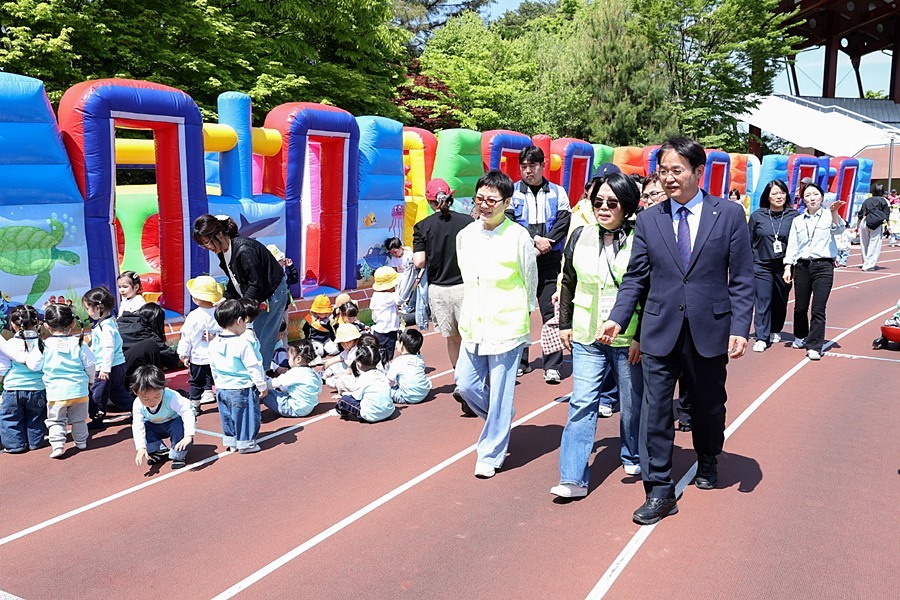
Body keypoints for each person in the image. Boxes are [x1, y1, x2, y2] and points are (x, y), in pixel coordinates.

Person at [598, 137, 754, 525]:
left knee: (708, 407)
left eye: (676, 171)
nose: (668, 179)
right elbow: (636, 277)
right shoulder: (649, 218)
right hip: (659, 328)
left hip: (710, 329)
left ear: (698, 173)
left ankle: (708, 456)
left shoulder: (730, 214)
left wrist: (740, 326)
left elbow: (743, 278)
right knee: (654, 411)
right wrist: (619, 317)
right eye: (663, 171)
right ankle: (660, 489)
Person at [552, 172, 643, 499]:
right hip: (587, 334)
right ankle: (573, 476)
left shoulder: (640, 238)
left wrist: (641, 336)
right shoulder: (579, 236)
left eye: (612, 203)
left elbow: (648, 290)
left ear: (627, 206)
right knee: (581, 402)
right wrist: (564, 324)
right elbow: (568, 282)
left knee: (631, 406)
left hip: (626, 337)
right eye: (598, 202)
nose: (603, 208)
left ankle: (632, 453)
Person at [455, 170, 538, 479]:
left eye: (492, 200)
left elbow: (530, 279)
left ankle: (490, 453)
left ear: (506, 202)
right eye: (480, 199)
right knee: (465, 383)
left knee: (502, 390)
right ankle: (500, 417)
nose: (485, 205)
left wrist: (526, 315)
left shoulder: (518, 236)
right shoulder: (465, 236)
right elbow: (466, 275)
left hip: (507, 323)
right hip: (474, 322)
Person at [508, 146, 571, 384]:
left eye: (532, 166)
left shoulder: (558, 192)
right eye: (523, 166)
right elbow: (511, 221)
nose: (528, 171)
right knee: (520, 313)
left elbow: (564, 220)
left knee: (550, 312)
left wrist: (547, 243)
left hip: (550, 260)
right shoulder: (512, 192)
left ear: (543, 166)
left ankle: (552, 365)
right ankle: (520, 361)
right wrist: (534, 241)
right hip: (523, 259)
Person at [192, 214, 289, 366]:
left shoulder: (244, 250)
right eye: (203, 245)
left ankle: (259, 379)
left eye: (207, 242)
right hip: (256, 296)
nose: (207, 248)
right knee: (253, 338)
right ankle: (257, 375)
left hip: (272, 294)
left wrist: (240, 309)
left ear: (219, 234)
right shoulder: (223, 252)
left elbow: (256, 284)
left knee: (261, 338)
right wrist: (225, 298)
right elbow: (234, 279)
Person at [412, 178, 474, 415]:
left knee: (452, 338)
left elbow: (419, 261)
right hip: (465, 286)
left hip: (439, 290)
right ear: (451, 197)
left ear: (430, 201)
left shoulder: (422, 226)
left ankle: (460, 380)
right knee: (471, 337)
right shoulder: (467, 222)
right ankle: (472, 380)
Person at [783, 182, 846, 361]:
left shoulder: (828, 215)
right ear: (803, 199)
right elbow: (793, 245)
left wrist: (835, 212)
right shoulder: (797, 220)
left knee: (818, 308)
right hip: (802, 266)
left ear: (821, 197)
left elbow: (840, 229)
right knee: (800, 306)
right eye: (808, 195)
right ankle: (800, 335)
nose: (812, 198)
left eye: (815, 194)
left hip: (824, 266)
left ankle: (815, 346)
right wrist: (788, 266)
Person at [32, 303, 96, 458]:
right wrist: (90, 379)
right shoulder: (79, 343)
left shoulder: (44, 345)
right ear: (73, 323)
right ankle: (81, 442)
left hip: (56, 392)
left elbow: (33, 365)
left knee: (56, 421)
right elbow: (90, 364)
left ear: (46, 325)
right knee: (79, 419)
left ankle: (58, 446)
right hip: (79, 390)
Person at [208, 299, 267, 453]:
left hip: (222, 387)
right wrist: (262, 385)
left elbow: (213, 366)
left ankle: (231, 441)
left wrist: (218, 384)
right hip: (241, 387)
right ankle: (246, 443)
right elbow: (253, 366)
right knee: (246, 416)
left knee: (227, 416)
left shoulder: (214, 343)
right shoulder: (243, 343)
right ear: (240, 320)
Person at [748, 179, 798, 352]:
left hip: (785, 266)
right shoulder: (757, 216)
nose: (779, 196)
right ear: (767, 196)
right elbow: (749, 240)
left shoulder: (794, 216)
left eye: (782, 192)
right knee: (763, 300)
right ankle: (761, 337)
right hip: (761, 265)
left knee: (780, 300)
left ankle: (775, 329)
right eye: (775, 193)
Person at [83, 286, 133, 428]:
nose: (87, 312)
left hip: (107, 368)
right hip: (116, 365)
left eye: (88, 308)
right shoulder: (106, 323)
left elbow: (108, 348)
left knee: (97, 394)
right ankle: (137, 409)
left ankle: (97, 418)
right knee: (117, 392)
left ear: (98, 308)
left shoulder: (106, 327)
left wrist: (105, 369)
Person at [0, 306, 47, 453]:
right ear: (37, 323)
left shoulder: (9, 345)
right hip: (37, 388)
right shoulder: (42, 344)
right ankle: (35, 443)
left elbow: (4, 367)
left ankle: (15, 446)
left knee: (10, 419)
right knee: (36, 418)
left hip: (13, 388)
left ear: (13, 324)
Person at [131, 365, 195, 470]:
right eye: (145, 398)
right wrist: (141, 447)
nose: (151, 402)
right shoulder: (137, 404)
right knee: (145, 426)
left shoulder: (171, 397)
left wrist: (189, 435)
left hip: (173, 422)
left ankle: (178, 455)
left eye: (156, 396)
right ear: (135, 392)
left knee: (179, 425)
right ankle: (160, 450)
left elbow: (187, 412)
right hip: (155, 425)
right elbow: (137, 425)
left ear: (163, 388)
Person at [177, 276, 224, 416]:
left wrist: (183, 354)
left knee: (196, 382)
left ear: (196, 298)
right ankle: (222, 401)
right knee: (219, 379)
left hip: (198, 356)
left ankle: (195, 405)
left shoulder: (194, 316)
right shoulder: (219, 313)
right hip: (218, 356)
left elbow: (186, 337)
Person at [334, 345, 395, 423]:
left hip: (371, 415)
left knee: (344, 400)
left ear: (359, 363)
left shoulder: (363, 378)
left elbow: (356, 397)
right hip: (389, 412)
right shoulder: (382, 374)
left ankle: (343, 413)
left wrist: (346, 394)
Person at [264, 339, 322, 418]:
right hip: (309, 408)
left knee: (267, 393)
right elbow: (319, 389)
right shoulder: (313, 372)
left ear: (298, 359)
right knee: (283, 389)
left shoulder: (295, 372)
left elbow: (274, 383)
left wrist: (260, 384)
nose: (288, 360)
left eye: (289, 357)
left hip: (294, 409)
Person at [387, 328, 431, 404]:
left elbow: (389, 381)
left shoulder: (398, 361)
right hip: (424, 393)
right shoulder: (419, 358)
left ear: (402, 345)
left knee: (388, 392)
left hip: (408, 397)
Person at [369, 266, 402, 364]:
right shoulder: (386, 296)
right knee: (385, 354)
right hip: (385, 331)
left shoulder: (377, 295)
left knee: (383, 354)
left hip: (383, 330)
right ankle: (384, 369)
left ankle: (383, 368)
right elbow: (400, 298)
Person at [857, 183, 891, 271]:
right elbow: (886, 215)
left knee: (864, 244)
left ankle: (865, 261)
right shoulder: (885, 201)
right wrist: (889, 227)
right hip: (876, 223)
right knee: (874, 244)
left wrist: (857, 227)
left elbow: (860, 214)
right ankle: (869, 265)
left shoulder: (867, 200)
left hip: (864, 221)